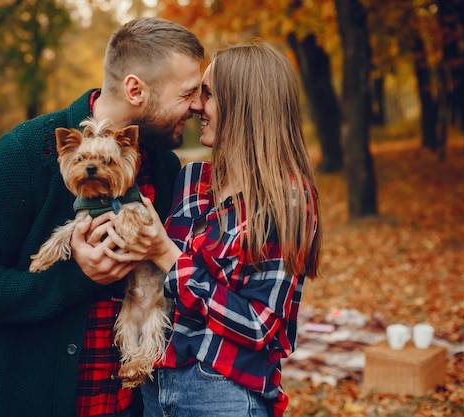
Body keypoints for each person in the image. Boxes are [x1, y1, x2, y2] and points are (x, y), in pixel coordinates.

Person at [0, 17, 204, 417]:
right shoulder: (24, 155)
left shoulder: (164, 167)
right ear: (136, 90)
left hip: (134, 406)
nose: (198, 106)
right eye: (188, 93)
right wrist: (74, 279)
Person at [100, 43, 322, 417]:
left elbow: (258, 326)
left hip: (224, 394)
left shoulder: (286, 199)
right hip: (156, 388)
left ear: (243, 106)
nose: (196, 106)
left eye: (208, 94)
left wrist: (165, 254)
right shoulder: (191, 179)